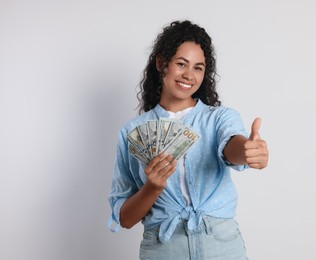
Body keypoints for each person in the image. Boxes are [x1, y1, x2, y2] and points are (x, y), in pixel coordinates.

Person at [108, 20, 269, 260]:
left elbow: (230, 146)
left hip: (221, 244)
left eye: (198, 68)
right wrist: (153, 187)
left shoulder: (219, 118)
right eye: (181, 64)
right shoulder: (133, 132)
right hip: (164, 247)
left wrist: (246, 149)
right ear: (162, 63)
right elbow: (125, 218)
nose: (189, 75)